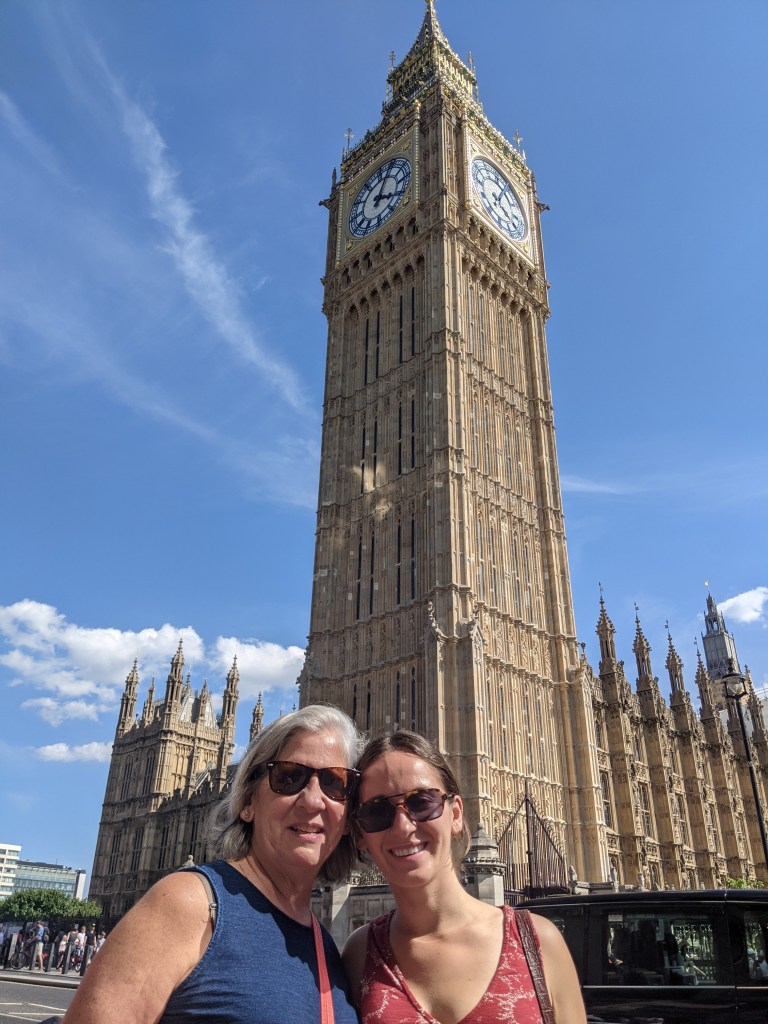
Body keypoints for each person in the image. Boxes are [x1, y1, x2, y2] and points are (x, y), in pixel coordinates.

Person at [62, 704, 364, 1024]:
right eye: (289, 777)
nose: (313, 800)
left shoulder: (328, 948)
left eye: (335, 783)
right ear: (247, 802)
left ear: (348, 817)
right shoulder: (188, 906)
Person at [343, 730, 587, 1024]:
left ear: (456, 814)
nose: (403, 826)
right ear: (360, 833)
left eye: (422, 802)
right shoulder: (359, 955)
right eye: (377, 811)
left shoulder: (539, 943)